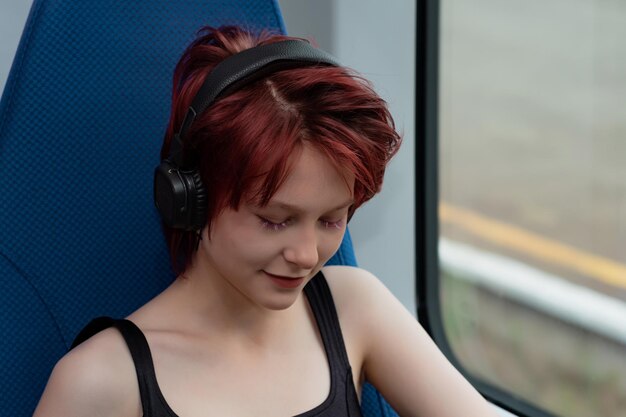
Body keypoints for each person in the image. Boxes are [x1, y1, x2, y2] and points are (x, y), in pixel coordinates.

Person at [34, 26, 498, 417]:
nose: (306, 255)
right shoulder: (100, 380)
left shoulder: (353, 307)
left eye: (332, 220)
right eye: (276, 221)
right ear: (191, 198)